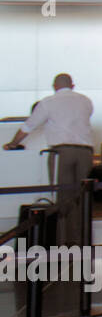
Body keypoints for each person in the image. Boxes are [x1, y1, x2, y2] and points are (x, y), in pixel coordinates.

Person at [4, 74, 94, 245]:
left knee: (63, 196)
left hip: (62, 153)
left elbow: (28, 126)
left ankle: (64, 242)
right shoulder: (86, 101)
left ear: (54, 86)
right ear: (72, 85)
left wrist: (12, 143)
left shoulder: (48, 102)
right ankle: (82, 239)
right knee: (83, 197)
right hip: (86, 152)